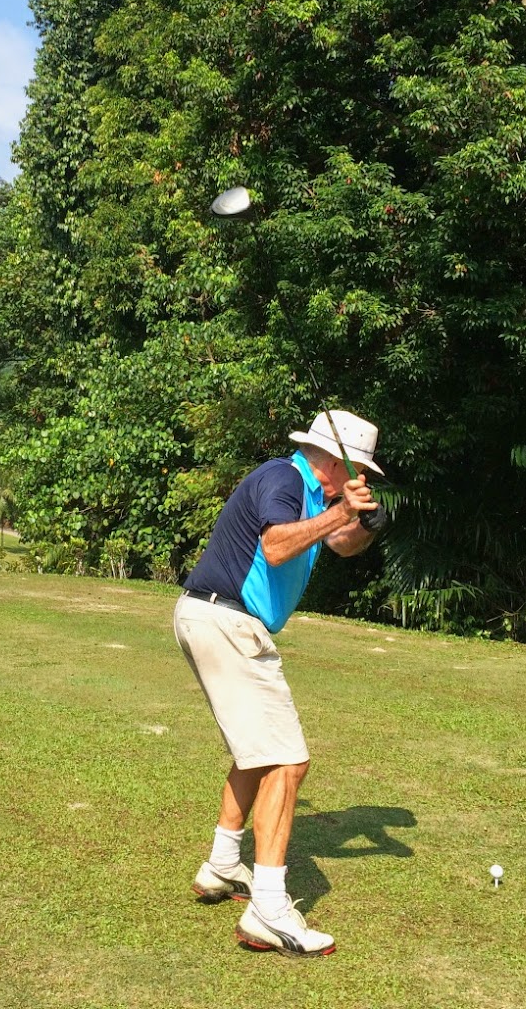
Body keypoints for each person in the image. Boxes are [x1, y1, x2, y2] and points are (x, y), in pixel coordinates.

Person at [174, 409, 383, 958]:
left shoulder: (311, 494)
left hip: (215, 617)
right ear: (335, 462)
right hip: (228, 620)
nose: (362, 478)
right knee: (288, 762)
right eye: (358, 469)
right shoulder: (285, 478)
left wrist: (362, 525)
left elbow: (338, 544)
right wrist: (342, 510)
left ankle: (223, 864)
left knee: (259, 756)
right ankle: (268, 908)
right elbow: (275, 546)